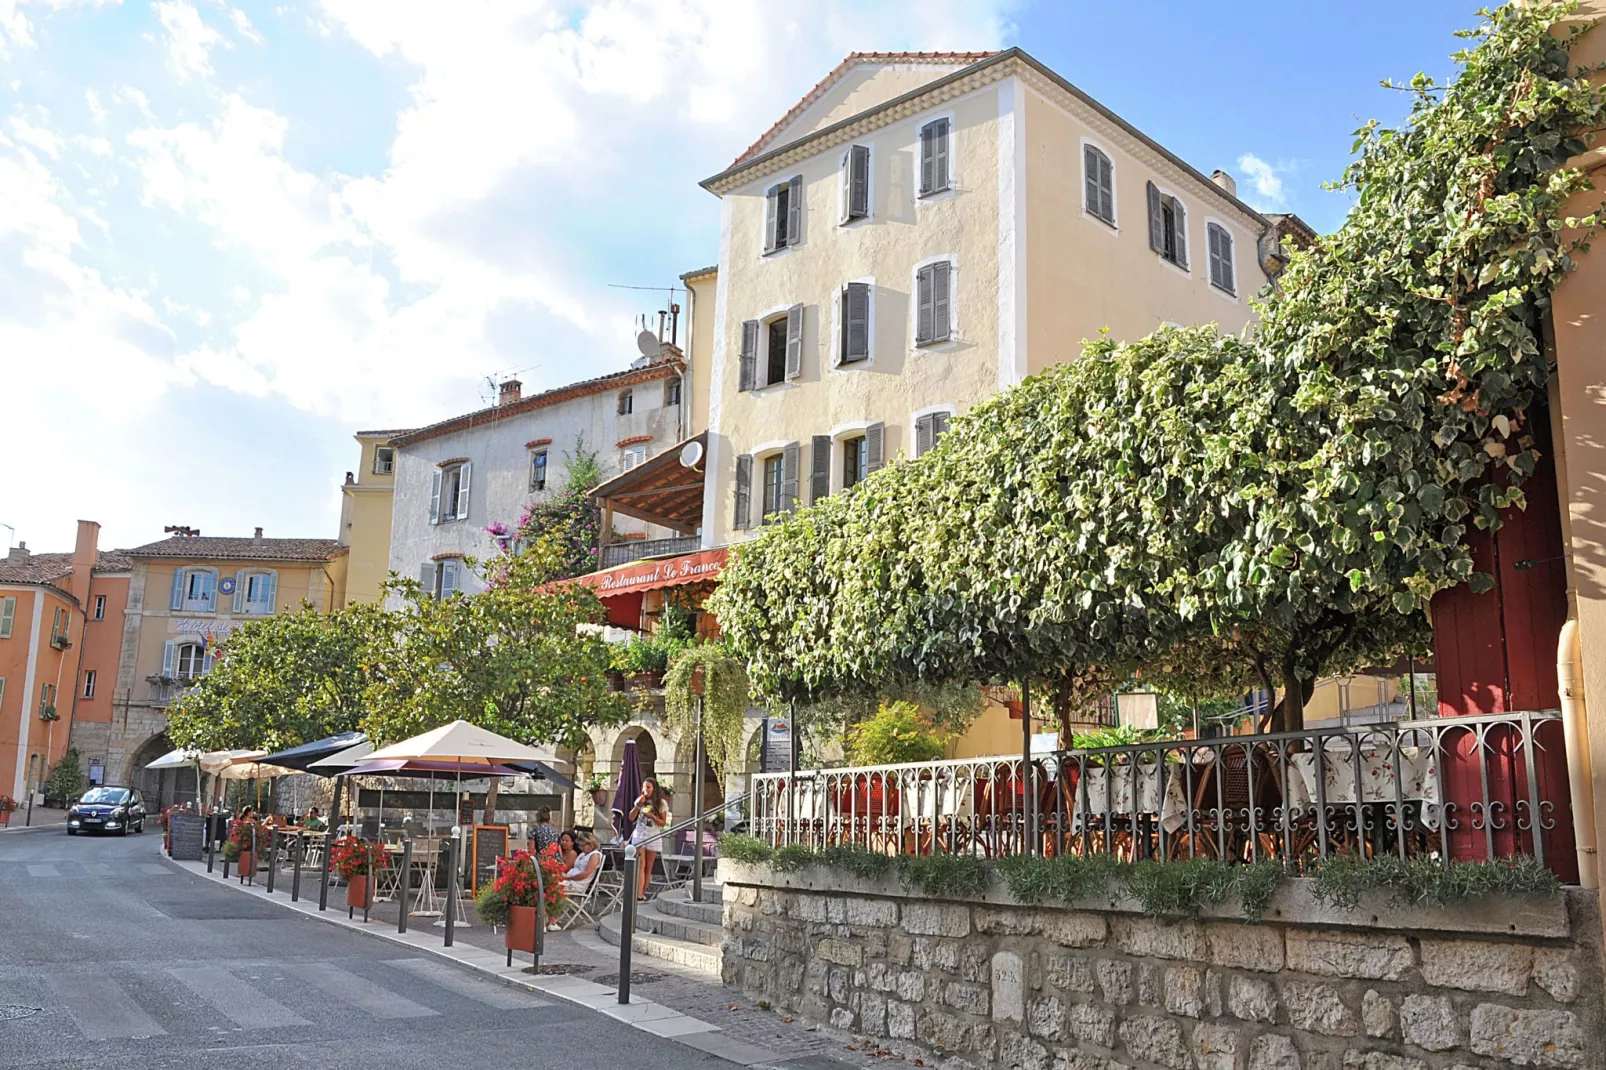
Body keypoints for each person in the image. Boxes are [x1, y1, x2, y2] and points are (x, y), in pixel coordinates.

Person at [627, 778, 670, 901]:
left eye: (649, 787)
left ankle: (642, 892)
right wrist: (637, 806)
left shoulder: (661, 803)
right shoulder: (640, 800)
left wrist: (651, 816)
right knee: (641, 864)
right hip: (639, 835)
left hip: (653, 836)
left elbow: (662, 823)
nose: (645, 790)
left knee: (648, 867)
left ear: (654, 789)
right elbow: (631, 818)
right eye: (644, 787)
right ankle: (639, 894)